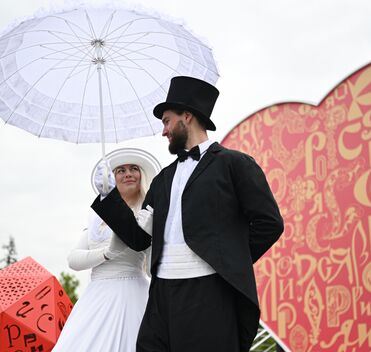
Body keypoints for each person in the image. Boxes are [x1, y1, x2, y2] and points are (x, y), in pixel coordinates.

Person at [92, 76, 284, 352]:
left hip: (207, 290)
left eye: (167, 121)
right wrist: (108, 197)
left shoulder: (235, 164)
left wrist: (226, 260)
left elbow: (269, 223)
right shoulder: (163, 179)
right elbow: (138, 239)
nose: (164, 131)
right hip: (161, 294)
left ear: (187, 117)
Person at [53, 148, 161, 352]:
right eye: (120, 170)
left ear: (142, 175)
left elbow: (151, 271)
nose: (128, 173)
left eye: (133, 169)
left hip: (133, 295)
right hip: (96, 297)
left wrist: (151, 240)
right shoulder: (96, 217)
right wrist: (107, 253)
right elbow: (73, 259)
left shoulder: (149, 214)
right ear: (112, 178)